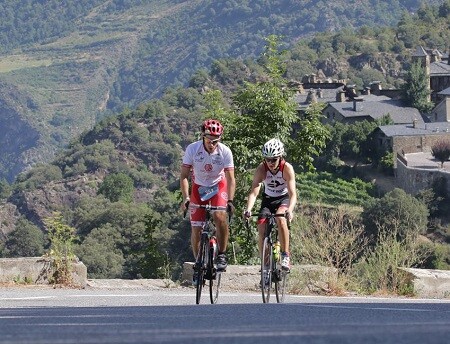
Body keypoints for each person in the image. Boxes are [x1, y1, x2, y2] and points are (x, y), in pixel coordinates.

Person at [180, 119, 236, 282]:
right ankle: (198, 262)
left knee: (220, 217)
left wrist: (230, 201)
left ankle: (222, 254)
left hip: (218, 186)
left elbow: (231, 179)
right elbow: (184, 176)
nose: (212, 143)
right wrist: (186, 198)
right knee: (196, 229)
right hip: (198, 187)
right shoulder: (193, 149)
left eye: (216, 140)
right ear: (202, 136)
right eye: (209, 139)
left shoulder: (225, 152)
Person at [244, 138, 296, 271]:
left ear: (280, 157)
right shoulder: (262, 169)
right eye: (267, 159)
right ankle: (265, 264)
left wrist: (290, 210)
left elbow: (293, 194)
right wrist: (248, 209)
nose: (270, 163)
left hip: (283, 199)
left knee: (281, 219)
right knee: (261, 228)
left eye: (273, 159)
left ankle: (285, 255)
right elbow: (254, 192)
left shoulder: (287, 168)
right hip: (268, 200)